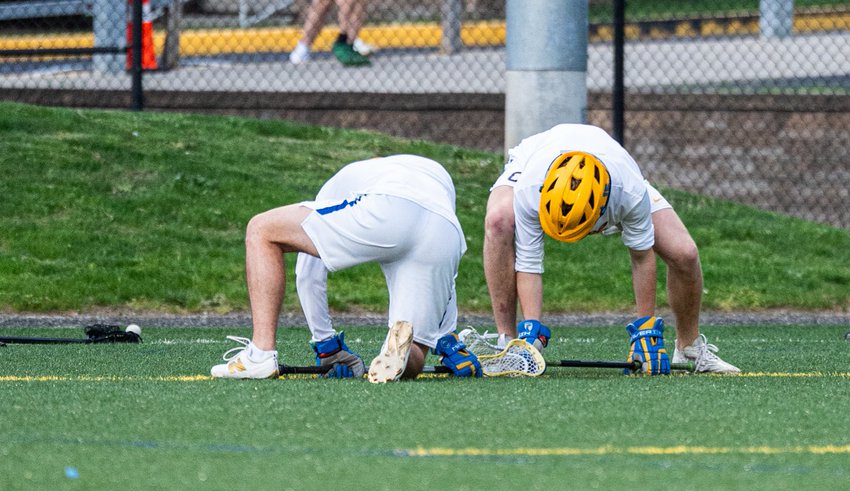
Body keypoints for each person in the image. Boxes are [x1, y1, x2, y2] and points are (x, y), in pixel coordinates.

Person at [481, 123, 740, 374]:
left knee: (685, 253)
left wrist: (645, 330)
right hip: (538, 157)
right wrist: (532, 329)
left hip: (611, 169)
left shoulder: (629, 191)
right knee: (498, 219)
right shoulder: (530, 190)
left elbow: (642, 258)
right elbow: (529, 263)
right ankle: (510, 344)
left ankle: (689, 347)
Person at [210, 155, 482, 382]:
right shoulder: (433, 173)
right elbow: (447, 279)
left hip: (390, 206)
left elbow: (309, 272)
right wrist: (448, 341)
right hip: (445, 230)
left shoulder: (345, 178)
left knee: (262, 229)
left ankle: (259, 355)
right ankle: (406, 354)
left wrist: (327, 346)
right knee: (414, 348)